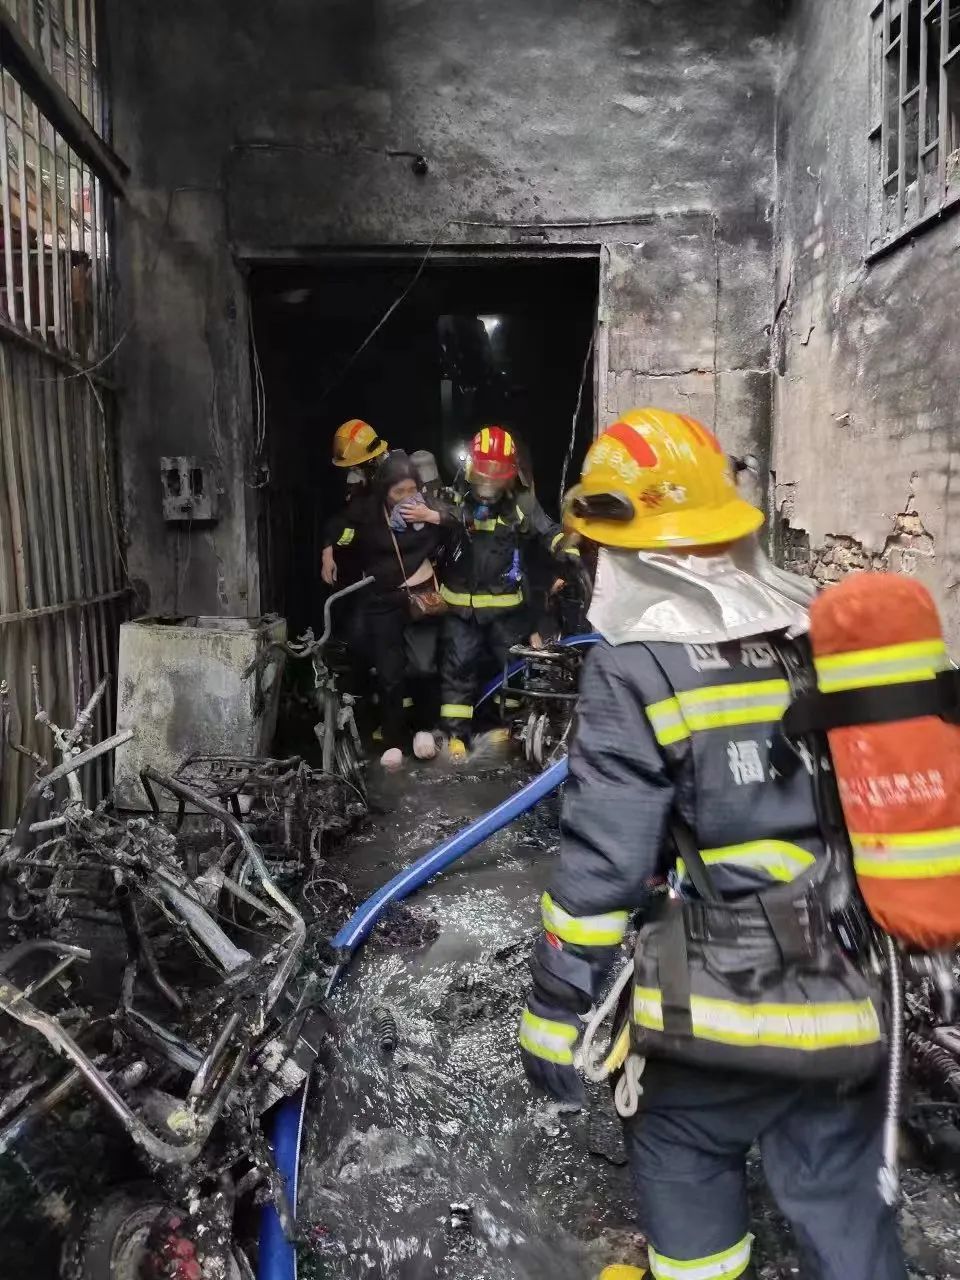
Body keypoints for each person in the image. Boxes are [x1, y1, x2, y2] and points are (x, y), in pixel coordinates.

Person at [518, 408, 906, 1280]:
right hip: (847, 985)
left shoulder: (635, 665)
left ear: (626, 549)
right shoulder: (811, 632)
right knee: (845, 1204)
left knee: (682, 1153)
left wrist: (555, 1009)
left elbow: (607, 865)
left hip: (719, 1004)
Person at [437, 425, 586, 758]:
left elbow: (547, 530)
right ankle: (455, 736)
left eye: (495, 477)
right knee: (458, 669)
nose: (487, 485)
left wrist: (568, 550)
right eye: (483, 475)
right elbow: (437, 522)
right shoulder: (455, 498)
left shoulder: (521, 503)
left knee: (511, 668)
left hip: (505, 608)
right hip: (461, 609)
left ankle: (503, 728)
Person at [323, 451, 446, 770]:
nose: (406, 497)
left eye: (411, 489)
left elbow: (461, 521)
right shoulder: (368, 510)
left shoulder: (428, 505)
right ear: (384, 492)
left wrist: (432, 516)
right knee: (390, 673)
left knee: (424, 666)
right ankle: (394, 740)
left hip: (421, 597)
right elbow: (338, 523)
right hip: (382, 601)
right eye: (398, 492)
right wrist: (328, 552)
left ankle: (424, 729)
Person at [321, 419, 389, 587]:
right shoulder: (364, 489)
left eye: (355, 466)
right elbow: (348, 521)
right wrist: (328, 551)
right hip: (372, 572)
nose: (352, 471)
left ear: (369, 461)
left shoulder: (399, 478)